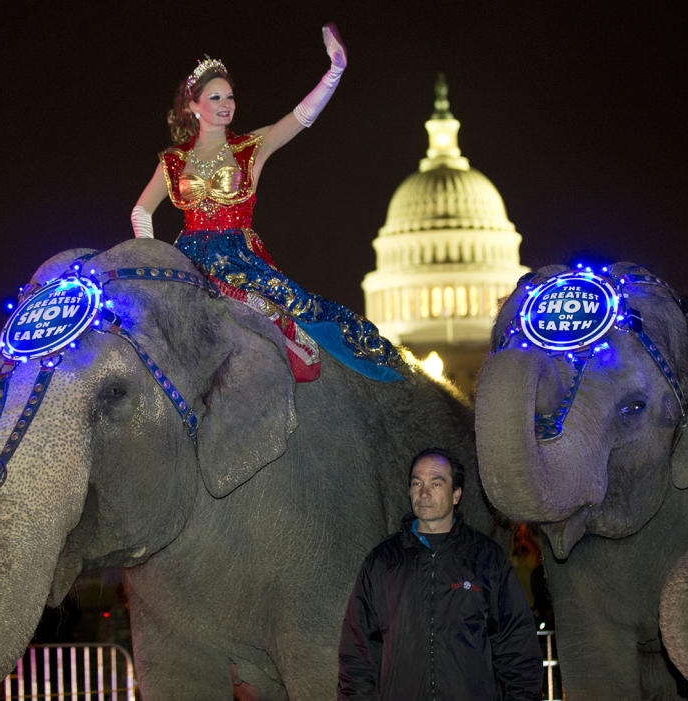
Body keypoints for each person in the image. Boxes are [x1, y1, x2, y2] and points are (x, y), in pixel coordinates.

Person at [131, 24, 402, 382]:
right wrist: (154, 258)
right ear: (193, 106)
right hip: (188, 259)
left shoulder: (251, 147)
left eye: (230, 97)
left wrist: (334, 71)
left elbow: (302, 117)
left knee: (299, 312)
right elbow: (141, 211)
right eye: (215, 98)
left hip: (239, 256)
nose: (226, 105)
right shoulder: (173, 161)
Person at [337, 448, 543, 699]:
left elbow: (518, 648)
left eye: (436, 483)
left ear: (456, 494)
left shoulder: (486, 558)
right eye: (417, 483)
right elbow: (357, 653)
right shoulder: (382, 562)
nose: (424, 493)